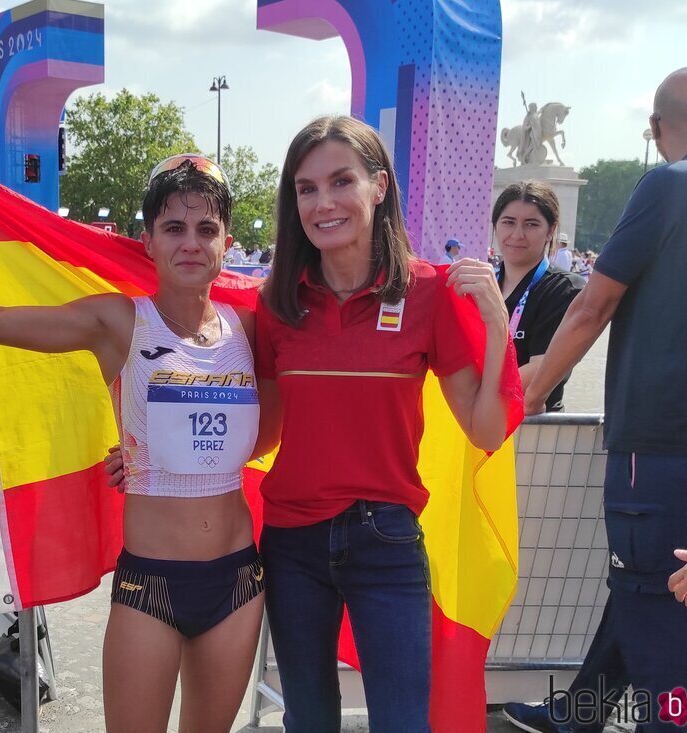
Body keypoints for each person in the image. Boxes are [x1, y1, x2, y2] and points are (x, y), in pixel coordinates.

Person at [0, 150, 276, 733]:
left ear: (226, 242)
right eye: (173, 227)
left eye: (206, 229)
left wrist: (165, 451)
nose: (190, 242)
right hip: (151, 584)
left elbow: (271, 432)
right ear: (148, 241)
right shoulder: (119, 321)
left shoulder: (252, 329)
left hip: (238, 581)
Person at [256, 115, 514, 731]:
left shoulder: (429, 293)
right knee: (309, 720)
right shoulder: (275, 305)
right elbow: (259, 434)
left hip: (388, 539)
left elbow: (484, 431)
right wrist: (155, 451)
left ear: (379, 186)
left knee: (402, 722)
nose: (323, 203)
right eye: (306, 188)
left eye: (341, 181)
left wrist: (498, 329)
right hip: (291, 544)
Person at [504, 67, 687, 733]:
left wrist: (531, 392)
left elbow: (593, 304)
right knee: (643, 591)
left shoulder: (668, 184)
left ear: (656, 130)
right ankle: (579, 711)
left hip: (657, 445)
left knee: (656, 616)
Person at [493, 182, 584, 411]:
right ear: (495, 226)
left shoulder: (564, 289)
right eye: (508, 222)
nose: (517, 234)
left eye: (531, 224)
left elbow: (542, 369)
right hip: (473, 425)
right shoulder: (481, 285)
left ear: (551, 230)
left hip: (532, 431)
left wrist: (475, 395)